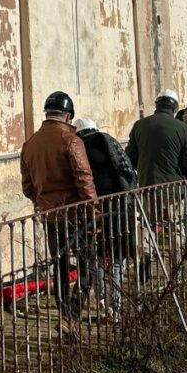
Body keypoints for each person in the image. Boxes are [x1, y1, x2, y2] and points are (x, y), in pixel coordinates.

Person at [20, 91, 98, 328]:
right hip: (77, 214)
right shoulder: (71, 140)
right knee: (88, 264)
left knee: (60, 265)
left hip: (50, 216)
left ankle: (64, 312)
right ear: (68, 116)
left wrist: (44, 202)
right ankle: (73, 313)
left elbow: (27, 187)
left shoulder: (30, 143)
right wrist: (94, 210)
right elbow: (84, 179)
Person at [73, 117, 137, 320]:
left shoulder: (77, 149)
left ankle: (102, 302)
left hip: (94, 211)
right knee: (117, 259)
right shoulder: (109, 141)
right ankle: (115, 306)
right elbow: (129, 172)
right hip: (119, 208)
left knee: (97, 258)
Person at [125, 89, 187, 186]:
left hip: (147, 187)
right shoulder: (183, 128)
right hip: (173, 188)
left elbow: (130, 156)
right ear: (175, 108)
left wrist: (143, 170)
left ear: (156, 105)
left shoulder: (139, 125)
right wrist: (181, 174)